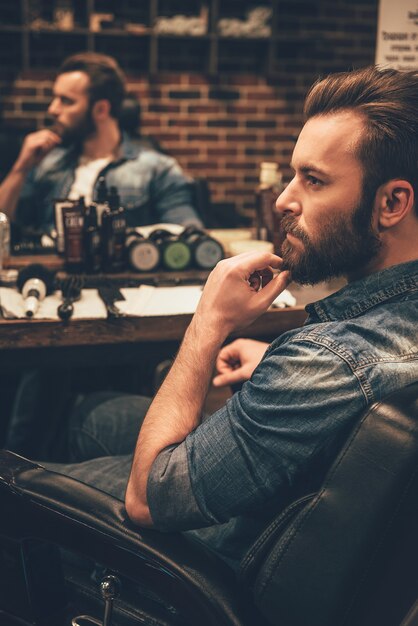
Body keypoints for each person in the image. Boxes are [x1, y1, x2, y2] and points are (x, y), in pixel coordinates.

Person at [44, 65, 418, 571]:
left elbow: (147, 498)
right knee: (91, 412)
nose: (285, 199)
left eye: (313, 180)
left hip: (224, 555)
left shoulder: (327, 366)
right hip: (310, 509)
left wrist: (210, 321)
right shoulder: (363, 352)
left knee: (27, 478)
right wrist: (277, 362)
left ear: (392, 202)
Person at [0, 52, 202, 232]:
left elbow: (188, 235)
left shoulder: (157, 169)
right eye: (55, 98)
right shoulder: (48, 163)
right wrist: (21, 168)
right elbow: (3, 226)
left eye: (66, 101)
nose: (53, 109)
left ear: (101, 110)